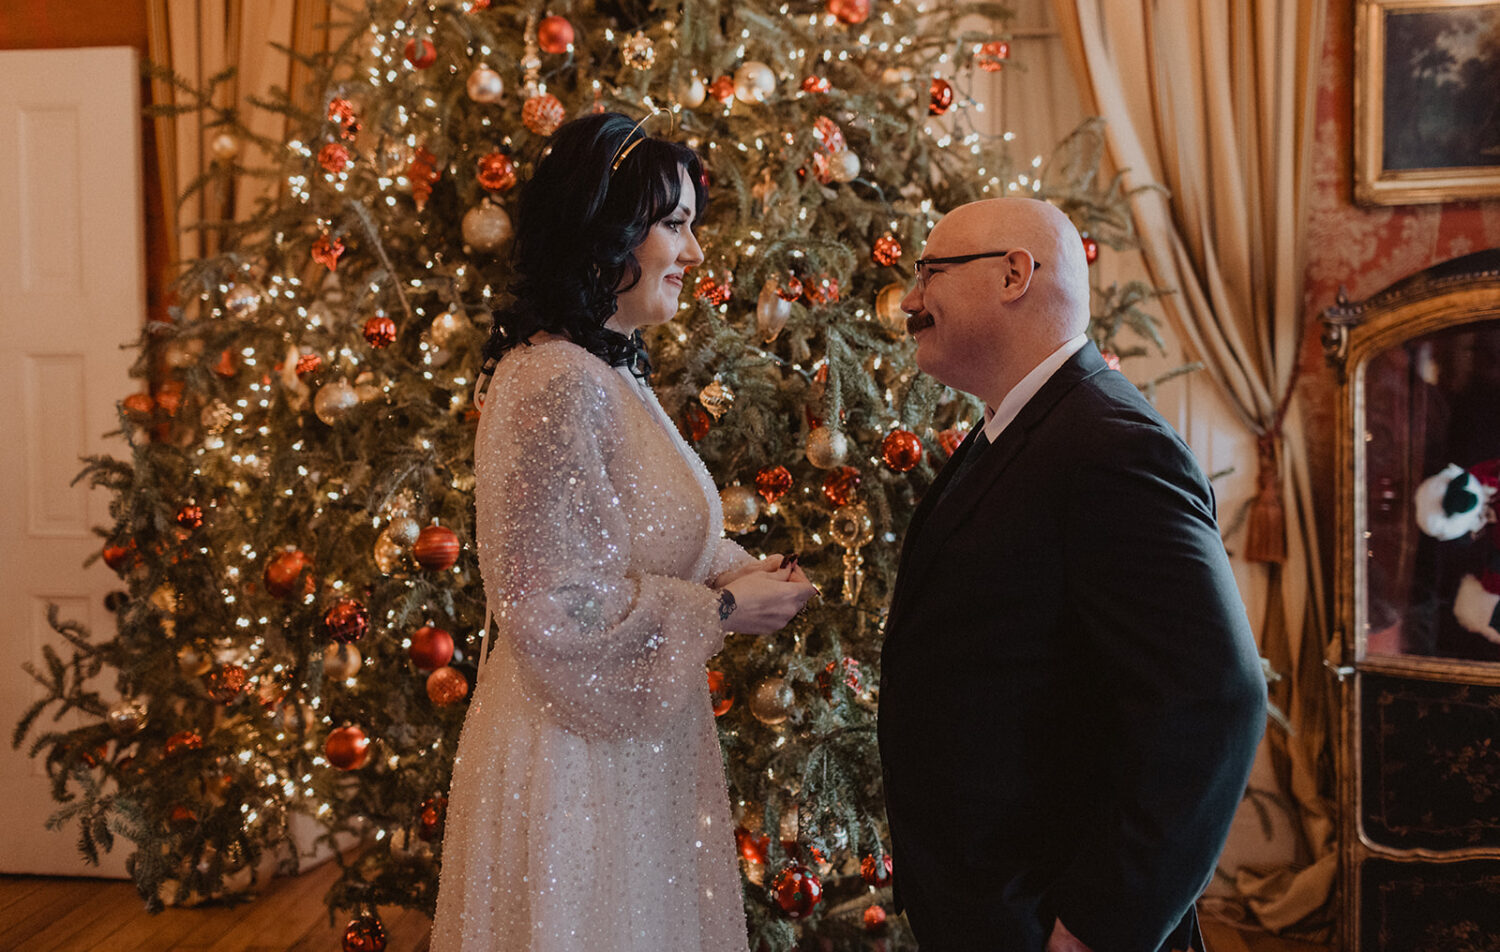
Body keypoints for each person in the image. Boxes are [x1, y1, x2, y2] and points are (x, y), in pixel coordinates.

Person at [431, 112, 816, 952]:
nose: (697, 253)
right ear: (607, 233)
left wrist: (753, 573)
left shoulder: (608, 370)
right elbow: (553, 616)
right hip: (578, 762)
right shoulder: (555, 382)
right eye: (675, 226)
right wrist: (718, 612)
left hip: (636, 749)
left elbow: (650, 536)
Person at [877, 197, 1266, 952]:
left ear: (1014, 274)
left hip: (1048, 921)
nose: (911, 300)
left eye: (930, 273)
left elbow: (1215, 700)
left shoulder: (1111, 446)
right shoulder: (1020, 426)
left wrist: (1096, 929)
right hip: (991, 908)